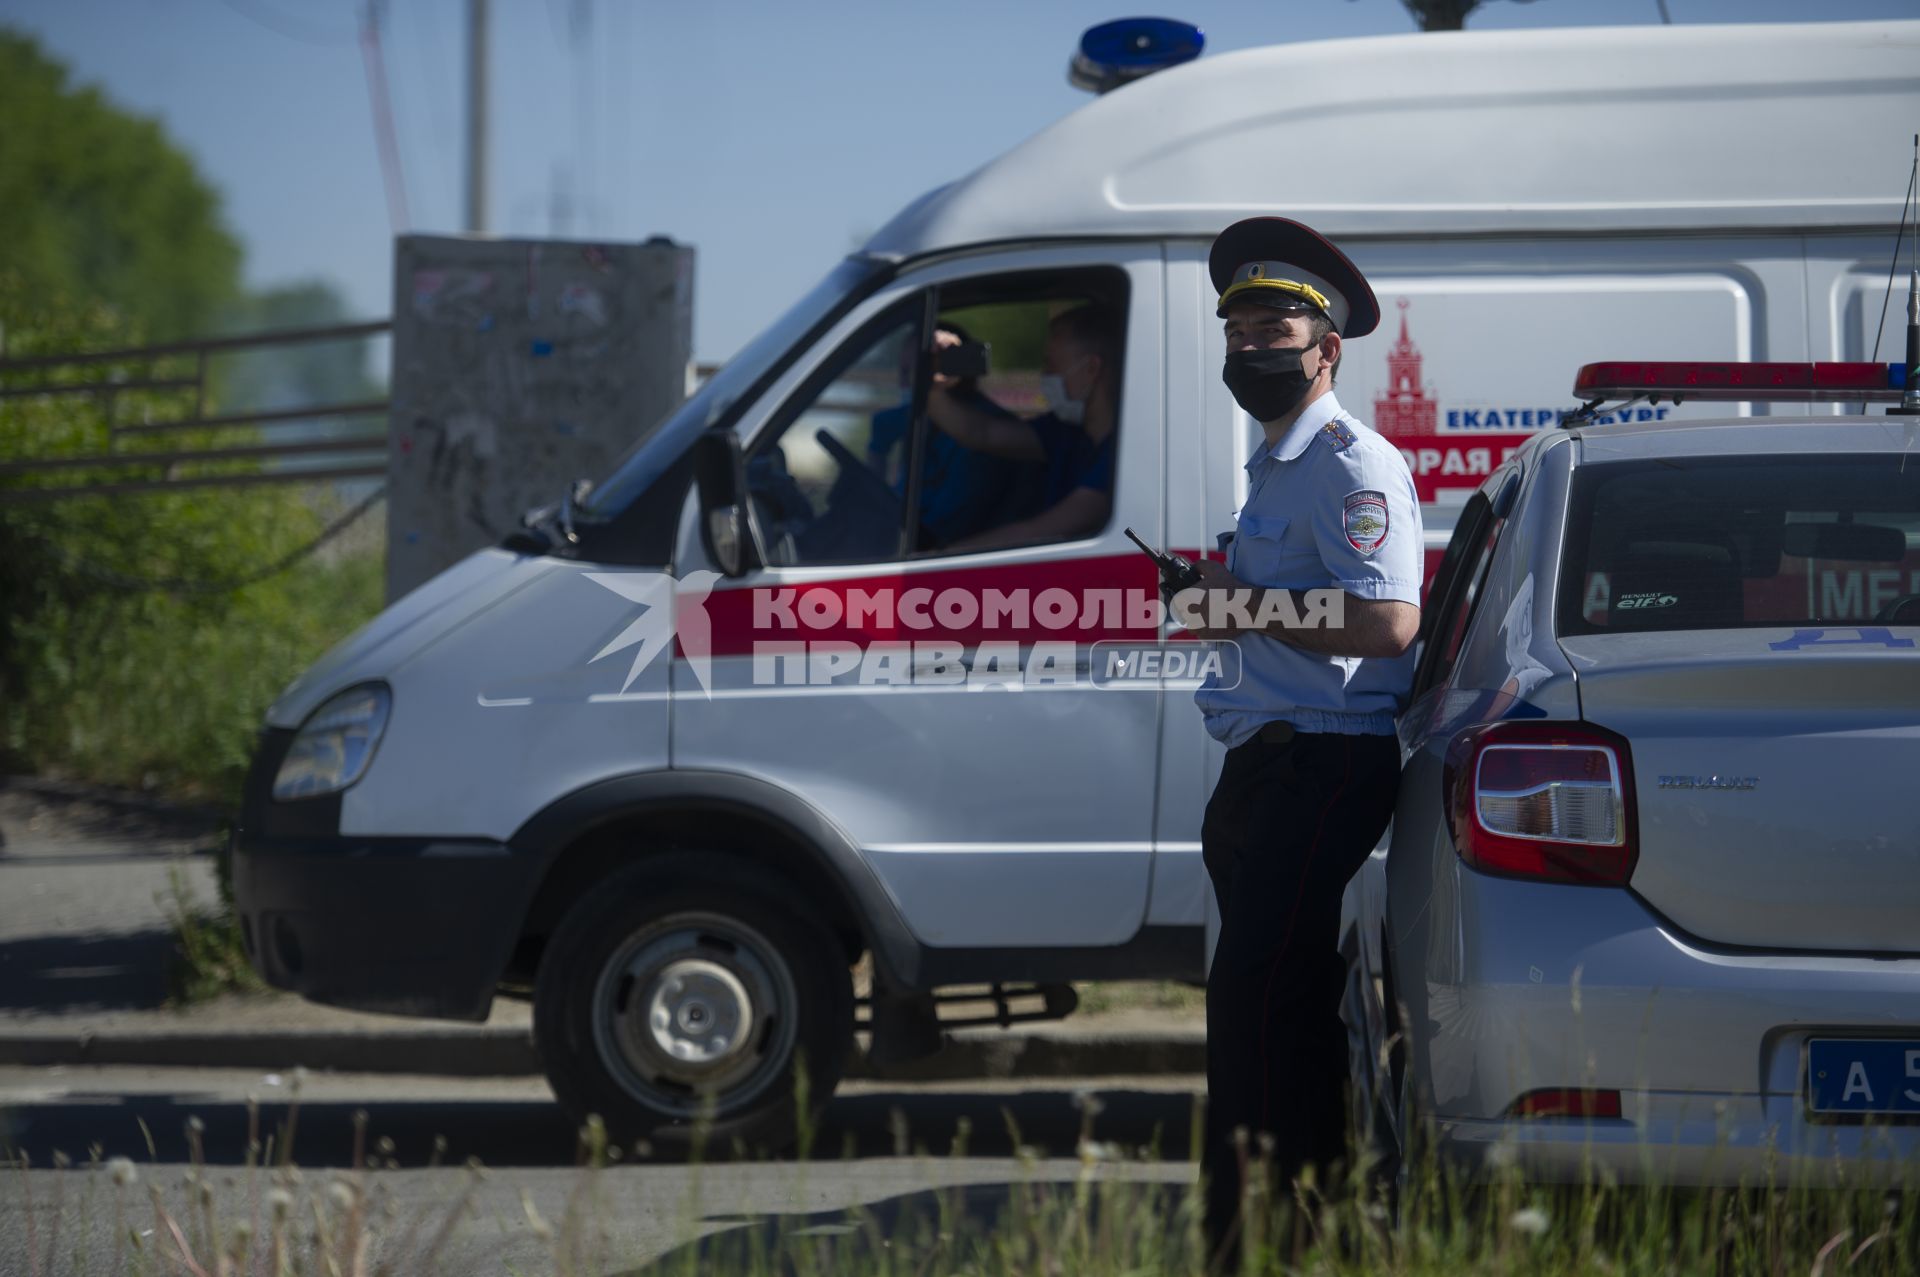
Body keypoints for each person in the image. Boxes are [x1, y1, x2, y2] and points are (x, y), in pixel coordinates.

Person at [1182, 217, 1423, 1265]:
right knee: (1276, 1007)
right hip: (1268, 759)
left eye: (1275, 325)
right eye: (1237, 328)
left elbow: (1384, 622)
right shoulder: (1275, 464)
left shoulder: (1348, 461)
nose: (1252, 346)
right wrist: (1222, 603)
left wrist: (1240, 607)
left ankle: (1258, 1237)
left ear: (1328, 346)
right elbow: (1291, 604)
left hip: (1321, 759)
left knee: (1255, 1002)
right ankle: (1313, 1221)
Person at [923, 304, 1120, 553]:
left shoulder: (1121, 455)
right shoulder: (1068, 433)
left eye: (1051, 363)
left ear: (1091, 369)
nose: (1044, 375)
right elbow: (980, 433)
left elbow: (1044, 530)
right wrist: (933, 382)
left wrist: (942, 560)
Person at [866, 321, 1033, 547]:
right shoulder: (917, 422)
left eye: (917, 372)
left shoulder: (984, 436)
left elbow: (935, 535)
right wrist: (876, 451)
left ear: (954, 370)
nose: (906, 383)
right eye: (904, 371)